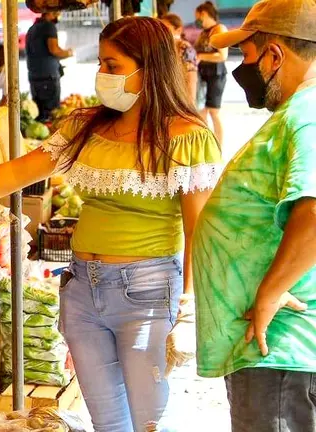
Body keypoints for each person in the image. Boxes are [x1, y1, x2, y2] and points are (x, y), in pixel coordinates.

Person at [0, 17, 222, 432]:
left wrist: (188, 305)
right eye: (101, 63)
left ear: (149, 67)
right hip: (82, 292)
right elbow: (19, 170)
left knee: (151, 423)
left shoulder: (187, 136)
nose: (102, 74)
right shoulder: (86, 126)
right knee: (108, 423)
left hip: (147, 293)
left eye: (112, 65)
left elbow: (200, 229)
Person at [192, 0, 316, 430]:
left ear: (274, 56)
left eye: (246, 55)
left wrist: (268, 295)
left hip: (279, 350)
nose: (242, 70)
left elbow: (314, 211)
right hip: (274, 352)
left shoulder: (307, 116)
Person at [25, 11, 73, 122]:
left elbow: (40, 53)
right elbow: (54, 50)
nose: (58, 15)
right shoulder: (49, 27)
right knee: (52, 116)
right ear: (50, 12)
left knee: (39, 115)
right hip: (48, 79)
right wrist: (68, 53)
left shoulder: (32, 29)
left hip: (34, 78)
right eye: (57, 12)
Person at [194, 1, 228, 146]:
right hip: (203, 75)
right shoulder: (204, 32)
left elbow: (222, 56)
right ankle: (206, 145)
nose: (196, 20)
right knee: (202, 111)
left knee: (214, 111)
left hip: (216, 75)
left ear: (204, 14)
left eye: (197, 16)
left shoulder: (219, 29)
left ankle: (219, 146)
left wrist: (201, 57)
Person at [160, 13, 198, 108]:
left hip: (181, 99)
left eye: (165, 28)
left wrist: (190, 105)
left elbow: (191, 79)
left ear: (179, 30)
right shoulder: (164, 48)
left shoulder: (186, 49)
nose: (162, 32)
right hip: (167, 98)